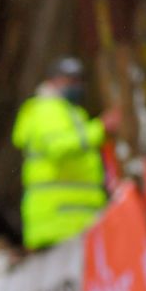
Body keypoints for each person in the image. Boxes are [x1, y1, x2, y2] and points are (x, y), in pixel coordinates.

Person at [12, 56, 119, 250]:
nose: (76, 86)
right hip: (57, 220)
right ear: (53, 80)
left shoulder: (72, 113)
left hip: (76, 218)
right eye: (69, 80)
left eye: (78, 81)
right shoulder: (46, 109)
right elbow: (58, 147)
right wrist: (100, 129)